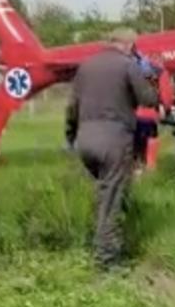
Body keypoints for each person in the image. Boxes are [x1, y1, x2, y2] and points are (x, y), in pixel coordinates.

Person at [64, 28, 159, 270]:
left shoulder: (86, 66)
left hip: (85, 139)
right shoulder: (128, 65)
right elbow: (148, 99)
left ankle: (105, 239)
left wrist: (71, 137)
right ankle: (107, 260)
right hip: (114, 139)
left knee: (104, 192)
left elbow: (72, 106)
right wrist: (151, 77)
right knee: (111, 198)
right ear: (128, 45)